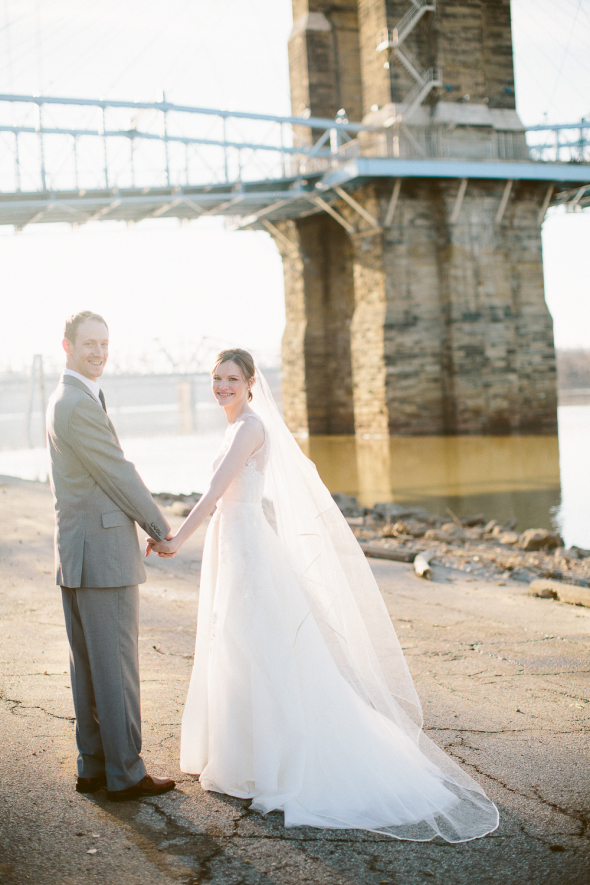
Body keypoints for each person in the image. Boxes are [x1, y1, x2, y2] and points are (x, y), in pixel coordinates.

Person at [147, 348, 499, 841]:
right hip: (233, 544)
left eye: (231, 378)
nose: (222, 386)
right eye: (216, 378)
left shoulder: (249, 427)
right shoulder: (236, 427)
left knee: (254, 646)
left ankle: (270, 761)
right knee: (235, 645)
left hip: (246, 548)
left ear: (251, 383)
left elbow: (213, 494)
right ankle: (242, 754)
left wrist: (175, 539)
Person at [46, 310, 176, 802]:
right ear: (67, 346)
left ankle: (94, 766)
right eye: (89, 344)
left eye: (105, 343)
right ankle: (126, 772)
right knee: (115, 666)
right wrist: (161, 528)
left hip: (79, 554)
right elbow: (118, 473)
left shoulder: (68, 398)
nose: (99, 352)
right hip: (101, 556)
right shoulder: (77, 403)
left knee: (91, 667)